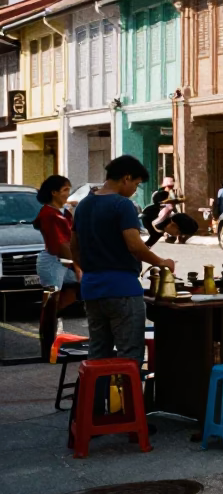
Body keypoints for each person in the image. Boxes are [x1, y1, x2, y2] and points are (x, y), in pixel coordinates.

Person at [70, 155, 175, 367]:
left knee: (98, 353)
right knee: (129, 355)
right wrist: (162, 262)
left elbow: (74, 246)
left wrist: (88, 268)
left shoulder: (83, 205)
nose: (135, 189)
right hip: (122, 290)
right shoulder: (122, 205)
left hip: (91, 288)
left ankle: (96, 400)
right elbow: (134, 245)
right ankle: (128, 400)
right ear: (126, 178)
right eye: (136, 184)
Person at [33, 175, 79, 290]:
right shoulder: (49, 214)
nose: (68, 194)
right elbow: (61, 244)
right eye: (65, 190)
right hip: (54, 260)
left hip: (67, 260)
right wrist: (77, 267)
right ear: (54, 192)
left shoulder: (65, 213)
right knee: (53, 299)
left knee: (69, 296)